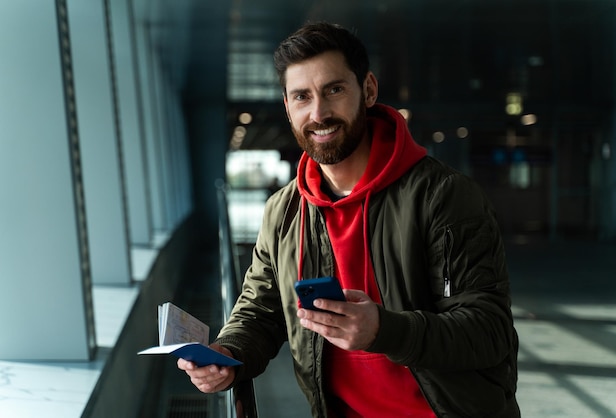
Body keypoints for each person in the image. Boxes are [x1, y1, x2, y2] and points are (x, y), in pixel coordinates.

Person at [178, 22, 520, 417]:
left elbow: (488, 330)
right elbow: (260, 312)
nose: (319, 112)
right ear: (288, 107)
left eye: (334, 90)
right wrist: (227, 353)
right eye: (302, 97)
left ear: (369, 90)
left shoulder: (443, 196)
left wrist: (383, 330)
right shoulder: (284, 211)